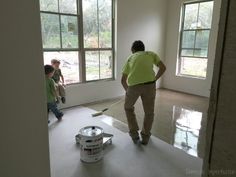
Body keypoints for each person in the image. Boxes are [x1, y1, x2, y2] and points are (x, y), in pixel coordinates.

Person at [121, 40, 166, 145]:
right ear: (143, 48)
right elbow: (163, 68)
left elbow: (123, 80)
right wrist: (155, 79)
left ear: (133, 50)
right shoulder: (151, 54)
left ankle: (134, 134)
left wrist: (128, 91)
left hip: (134, 87)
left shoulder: (131, 57)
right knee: (149, 112)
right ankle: (145, 137)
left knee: (128, 107)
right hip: (150, 85)